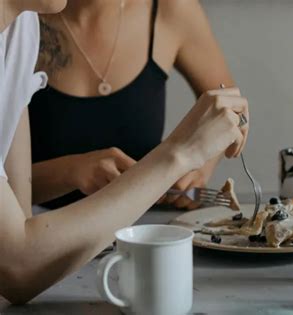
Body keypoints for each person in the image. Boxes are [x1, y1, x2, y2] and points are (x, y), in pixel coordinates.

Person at [0, 0, 249, 304]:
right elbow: (17, 266)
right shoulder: (32, 21)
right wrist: (178, 155)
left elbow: (18, 232)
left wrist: (196, 166)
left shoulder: (18, 30)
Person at [29, 0, 236, 210]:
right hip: (39, 226)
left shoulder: (170, 8)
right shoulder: (19, 18)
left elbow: (228, 108)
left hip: (144, 228)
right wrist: (70, 172)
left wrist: (197, 167)